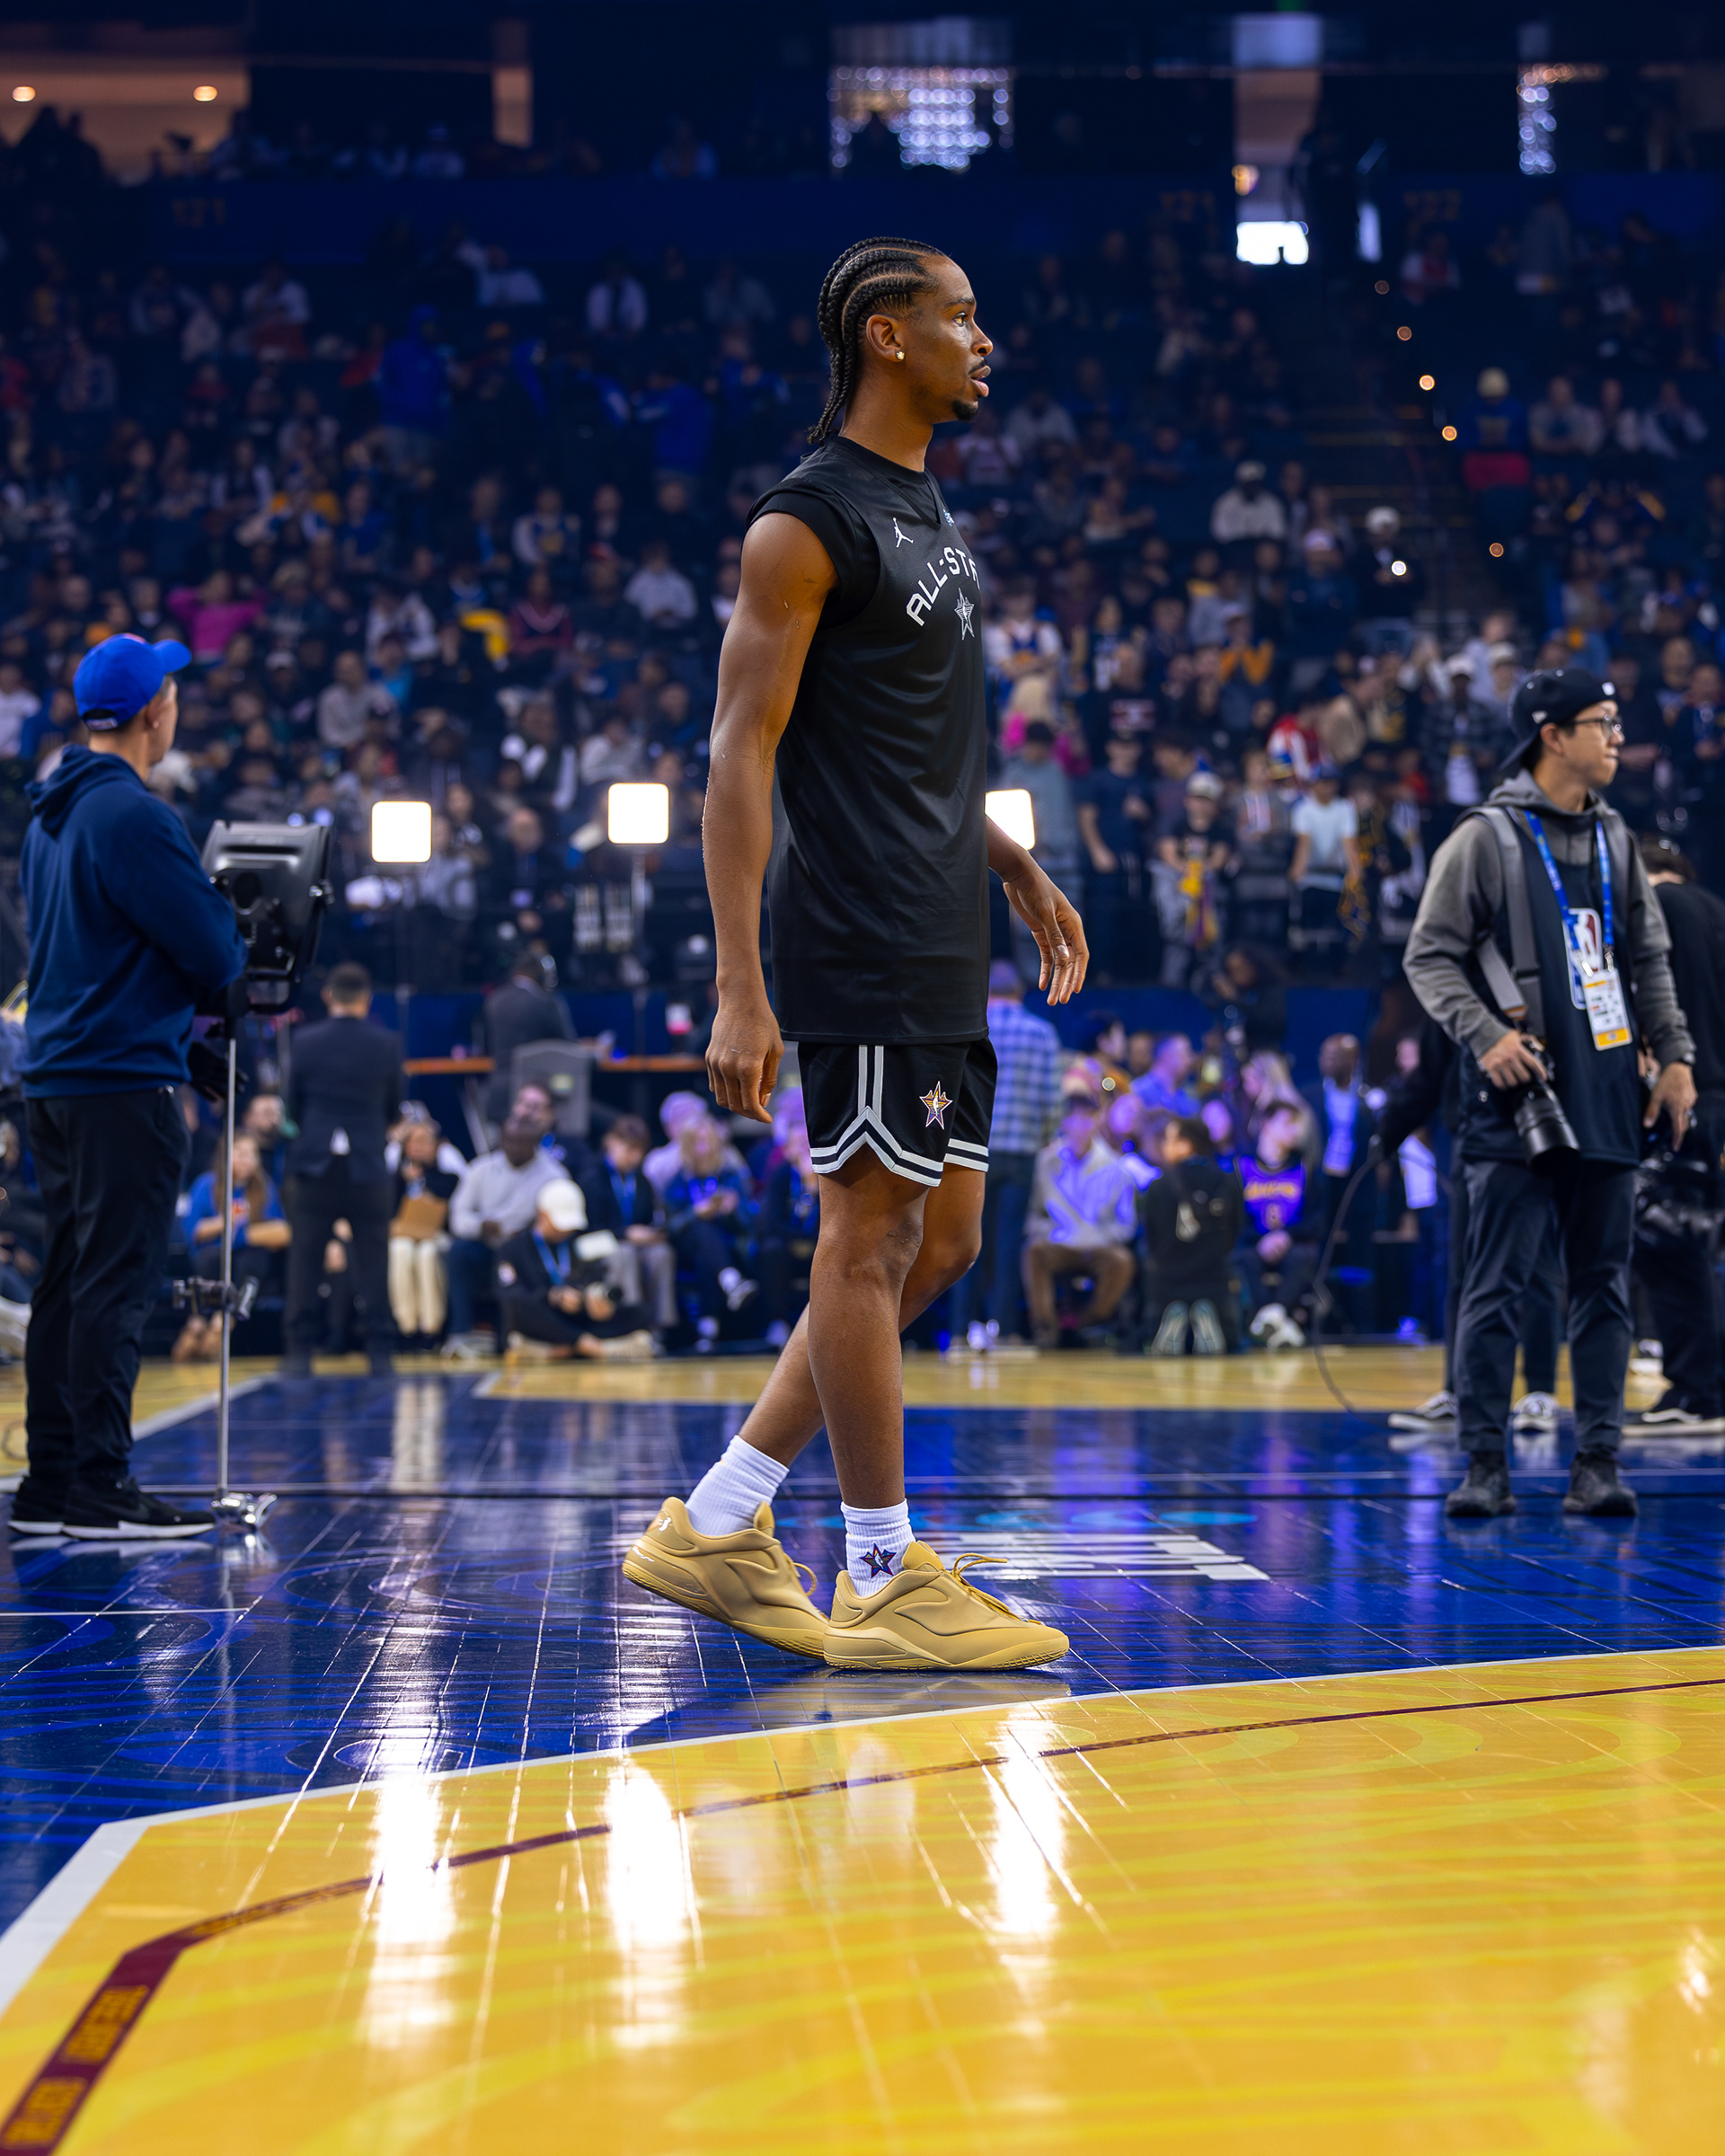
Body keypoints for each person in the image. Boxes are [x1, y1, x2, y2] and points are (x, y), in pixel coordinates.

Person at [624, 236, 1084, 1672]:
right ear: (889, 334)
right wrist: (738, 982)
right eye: (962, 316)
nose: (983, 340)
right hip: (865, 932)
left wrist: (1009, 860)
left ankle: (721, 1518)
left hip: (945, 927)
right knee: (869, 1237)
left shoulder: (924, 506)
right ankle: (882, 1572)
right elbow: (737, 753)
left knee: (940, 1243)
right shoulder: (804, 520)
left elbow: (909, 741)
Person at [1404, 668, 1697, 1520]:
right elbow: (1429, 954)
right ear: (1552, 735)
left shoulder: (1615, 838)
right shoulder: (1484, 837)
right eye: (1602, 723)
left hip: (1607, 1093)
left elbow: (1648, 960)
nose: (1617, 737)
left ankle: (1597, 1463)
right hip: (1516, 1101)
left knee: (1603, 1284)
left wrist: (1675, 1058)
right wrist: (1485, 1035)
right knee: (1496, 1287)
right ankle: (1484, 1466)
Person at [11, 634, 247, 1539]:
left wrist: (173, 1038)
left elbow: (92, 957)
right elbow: (214, 951)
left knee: (68, 1282)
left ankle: (52, 1483)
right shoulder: (135, 816)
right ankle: (102, 1487)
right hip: (119, 1083)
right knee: (115, 1285)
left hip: (56, 1077)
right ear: (156, 712)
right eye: (174, 695)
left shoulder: (52, 812)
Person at [1630, 837, 1725, 1433]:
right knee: (1708, 1246)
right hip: (1719, 1097)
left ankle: (1696, 1391)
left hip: (1686, 1094)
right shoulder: (1715, 907)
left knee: (1671, 1241)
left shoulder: (1658, 909)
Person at [281, 963, 403, 1380]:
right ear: (367, 1000)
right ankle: (380, 1351)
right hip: (366, 1163)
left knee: (305, 1259)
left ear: (328, 996)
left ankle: (299, 1352)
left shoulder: (305, 1041)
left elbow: (292, 1104)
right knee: (374, 1260)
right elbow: (394, 1106)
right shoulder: (386, 1043)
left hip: (314, 1162)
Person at [949, 960, 1062, 1352]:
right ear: (1020, 992)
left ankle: (960, 1331)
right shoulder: (1041, 1033)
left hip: (970, 1151)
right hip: (1020, 1153)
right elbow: (1052, 1102)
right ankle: (1004, 1329)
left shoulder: (968, 1027)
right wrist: (1041, 1138)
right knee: (1009, 1243)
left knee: (966, 1242)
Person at [1022, 1091, 1138, 1350]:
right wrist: (1052, 1231)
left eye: (1087, 1118)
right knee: (1033, 1252)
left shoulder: (1115, 1167)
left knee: (1122, 1261)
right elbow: (1034, 1215)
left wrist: (1100, 1237)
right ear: (1064, 1122)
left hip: (1099, 1244)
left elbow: (1126, 1224)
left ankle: (1088, 1325)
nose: (1080, 1126)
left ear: (1097, 1120)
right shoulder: (1046, 1162)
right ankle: (1046, 1329)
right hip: (1059, 1242)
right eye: (1073, 1118)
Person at [442, 1112, 564, 1356]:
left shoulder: (554, 1175)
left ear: (535, 1143)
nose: (513, 1147)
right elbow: (458, 1216)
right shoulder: (480, 1169)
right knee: (459, 1252)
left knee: (524, 1257)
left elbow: (559, 1220)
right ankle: (460, 1333)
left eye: (521, 1142)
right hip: (488, 1245)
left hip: (528, 1252)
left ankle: (531, 1335)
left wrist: (530, 1231)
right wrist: (481, 1226)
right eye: (509, 1141)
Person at [495, 1177, 653, 1362]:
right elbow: (511, 1296)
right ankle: (587, 1346)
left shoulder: (580, 1241)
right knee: (519, 1308)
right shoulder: (513, 1248)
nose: (566, 1230)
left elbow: (596, 1279)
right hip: (543, 1316)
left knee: (641, 1313)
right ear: (543, 1214)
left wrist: (597, 1302)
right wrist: (552, 1297)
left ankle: (560, 1349)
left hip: (577, 1317)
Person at [174, 1131, 291, 1362]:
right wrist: (225, 1222)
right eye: (241, 1153)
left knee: (253, 1259)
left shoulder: (265, 1188)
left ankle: (225, 1320)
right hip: (212, 1257)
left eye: (252, 1154)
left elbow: (280, 1231)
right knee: (211, 1258)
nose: (247, 1160)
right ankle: (199, 1322)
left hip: (249, 1261)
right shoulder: (206, 1185)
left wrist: (241, 1236)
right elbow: (192, 1232)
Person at [1141, 1115, 1243, 1356]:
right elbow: (1235, 1232)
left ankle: (1174, 1321)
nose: (1164, 1146)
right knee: (1229, 1335)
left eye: (1169, 1140)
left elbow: (1151, 1239)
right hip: (1214, 1282)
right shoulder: (1227, 1182)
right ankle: (1207, 1321)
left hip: (1169, 1284)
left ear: (1186, 1145)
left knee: (1162, 1310)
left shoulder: (1158, 1186)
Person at [578, 1114, 677, 1339]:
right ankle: (632, 1322)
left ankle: (660, 1326)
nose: (634, 1156)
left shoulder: (641, 1180)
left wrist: (654, 1232)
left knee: (661, 1253)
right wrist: (625, 1234)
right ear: (611, 1142)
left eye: (639, 1151)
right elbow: (586, 1227)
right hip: (597, 1243)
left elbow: (649, 1216)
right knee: (625, 1253)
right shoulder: (592, 1175)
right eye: (629, 1148)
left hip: (635, 1242)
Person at [387, 1118, 459, 1348]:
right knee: (400, 1251)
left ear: (435, 1145)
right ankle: (406, 1325)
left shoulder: (448, 1176)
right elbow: (386, 1210)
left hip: (436, 1234)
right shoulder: (393, 1179)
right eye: (414, 1141)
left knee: (428, 1254)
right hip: (403, 1235)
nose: (418, 1147)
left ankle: (431, 1326)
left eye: (424, 1141)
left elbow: (451, 1209)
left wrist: (422, 1180)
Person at [482, 952, 573, 1127]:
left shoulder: (494, 1000)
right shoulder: (544, 1002)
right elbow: (568, 1047)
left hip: (498, 1094)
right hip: (536, 1098)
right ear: (541, 975)